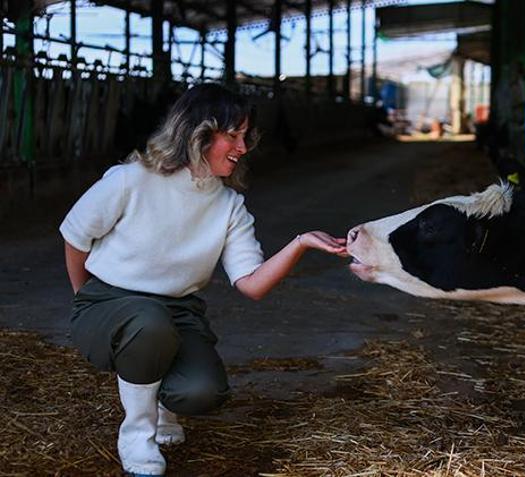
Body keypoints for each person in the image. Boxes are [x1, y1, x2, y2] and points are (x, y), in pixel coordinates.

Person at [60, 83, 348, 476]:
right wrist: (83, 297)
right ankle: (137, 437)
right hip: (108, 304)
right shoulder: (130, 180)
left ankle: (161, 403)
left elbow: (252, 283)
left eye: (246, 136)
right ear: (197, 134)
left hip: (176, 313)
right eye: (233, 135)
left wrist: (300, 243)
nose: (243, 147)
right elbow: (75, 237)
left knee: (202, 392)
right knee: (147, 322)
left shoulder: (228, 205)